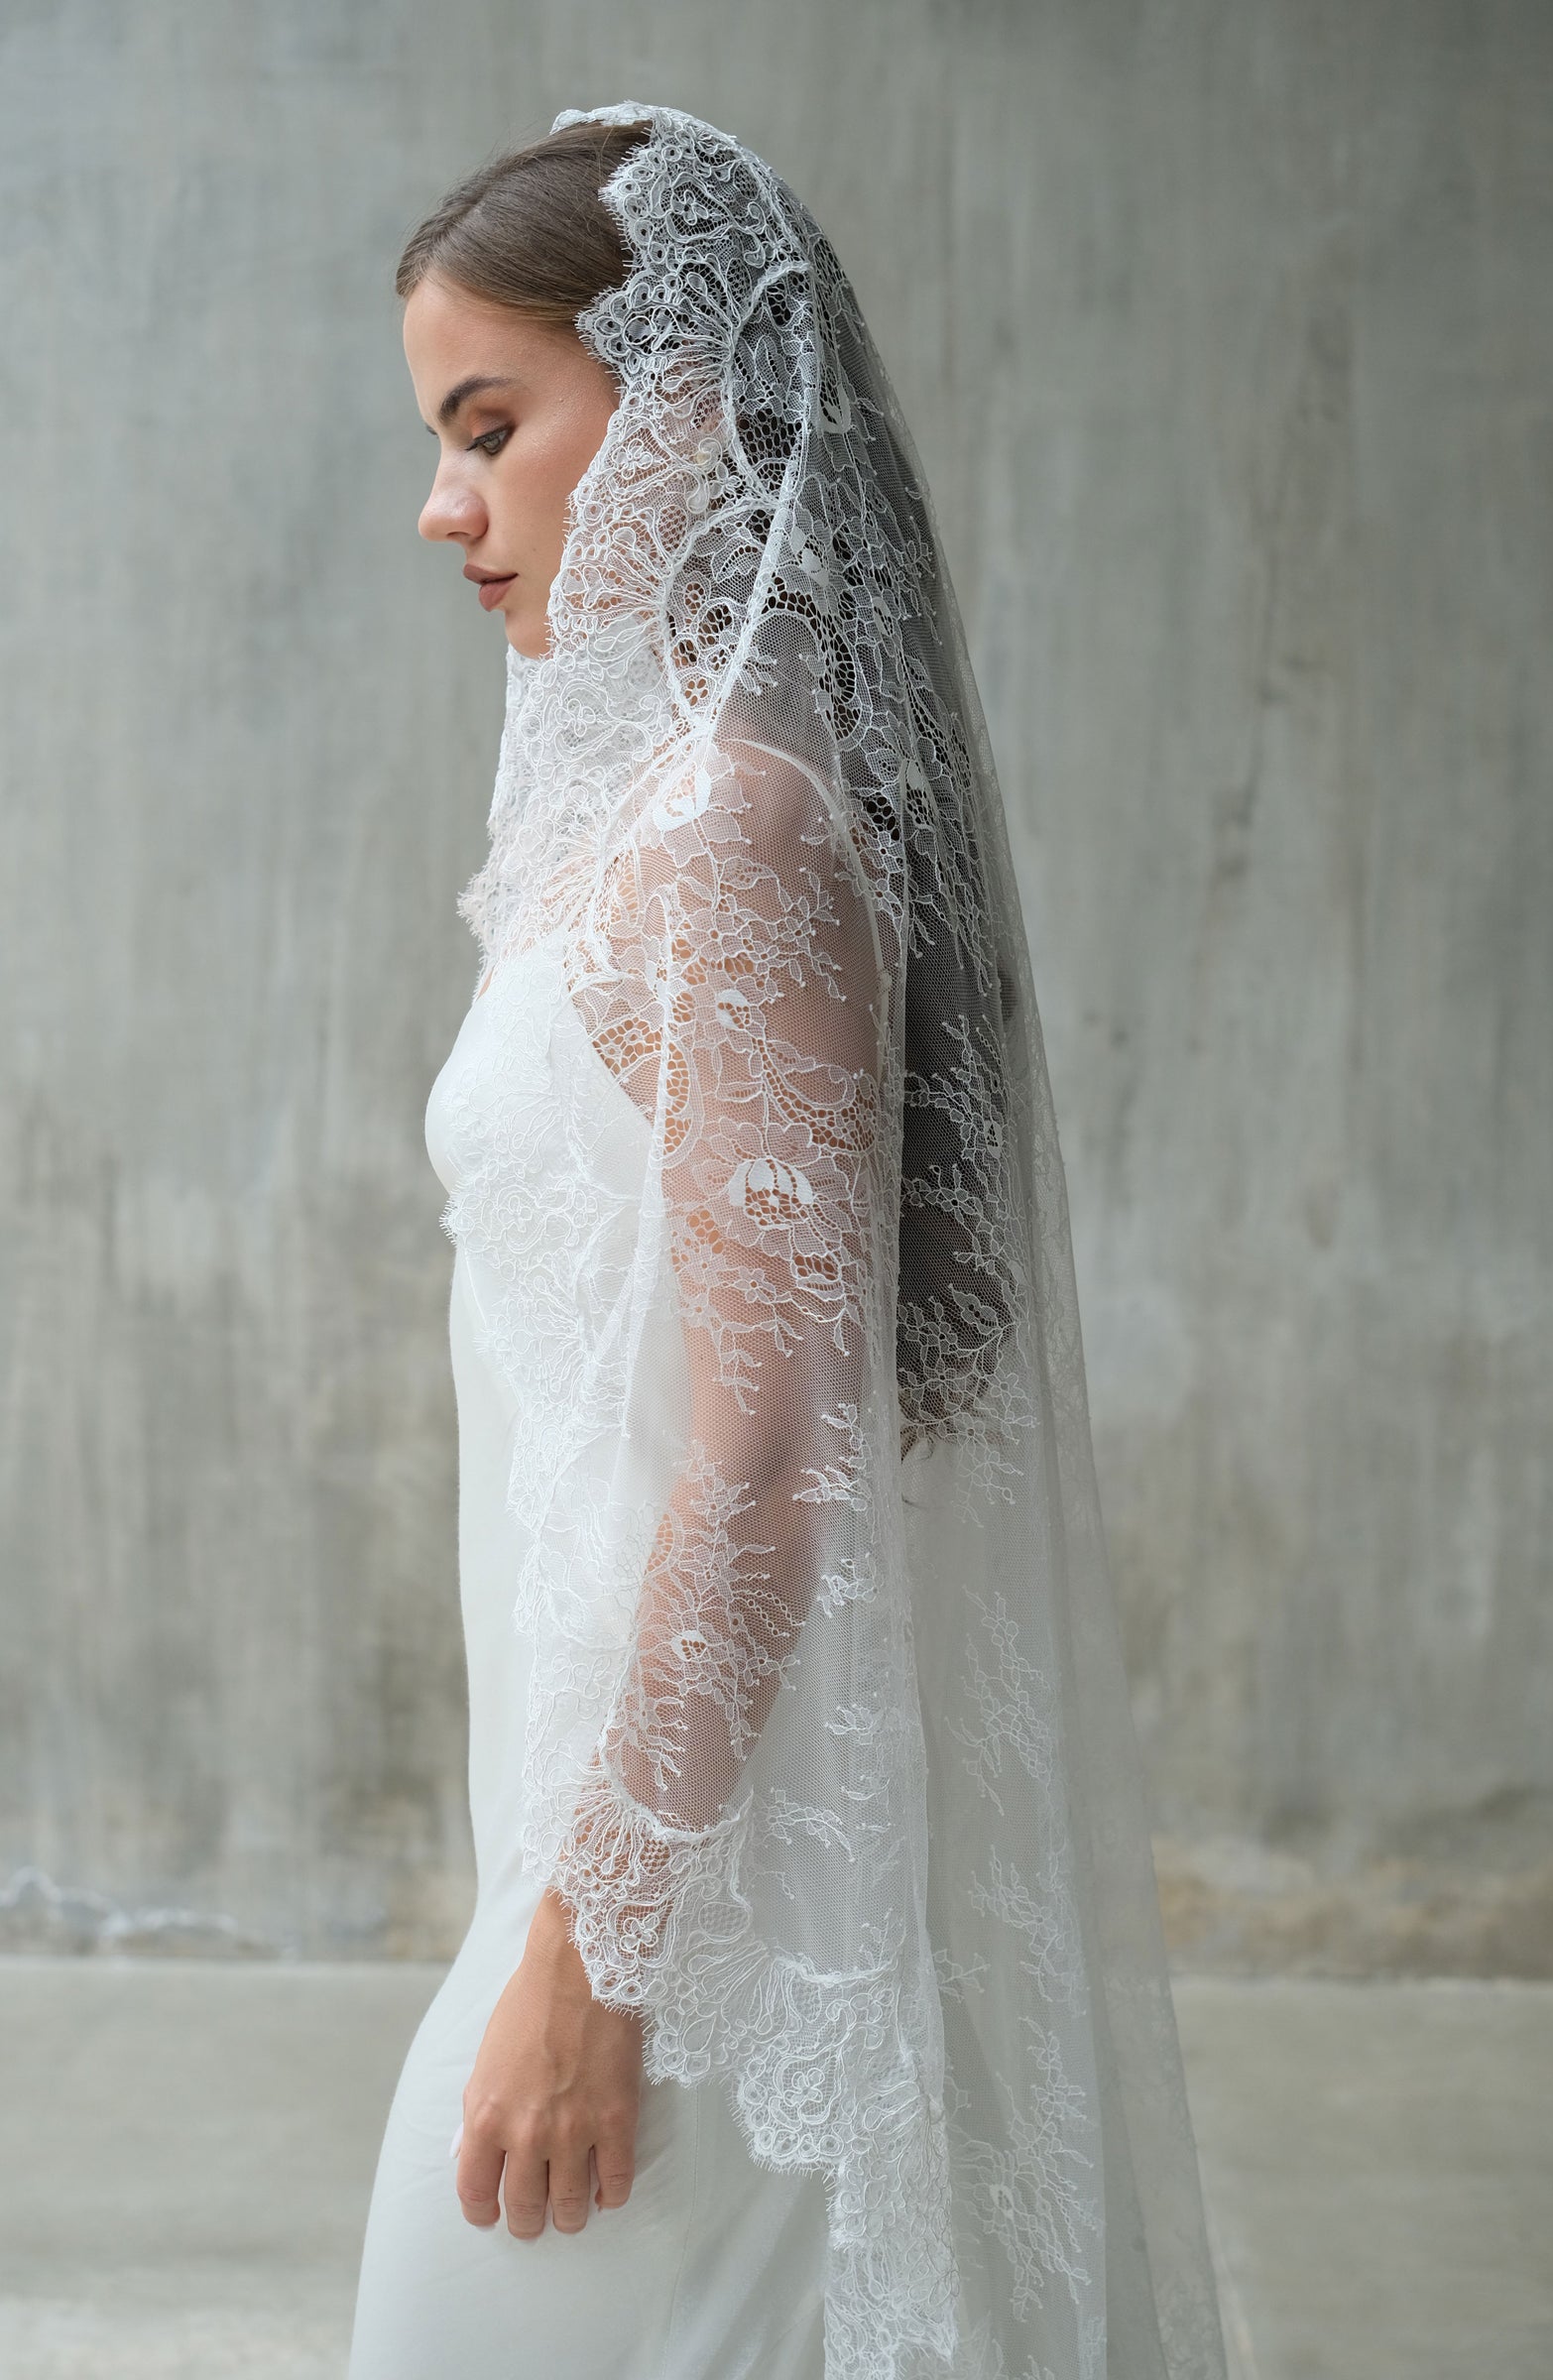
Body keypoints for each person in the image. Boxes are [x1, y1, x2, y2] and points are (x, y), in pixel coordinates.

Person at [348, 103, 1229, 2380]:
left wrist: (592, 1957)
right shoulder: (627, 830)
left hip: (686, 1904)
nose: (443, 507)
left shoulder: (732, 834)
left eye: (488, 426)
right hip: (605, 1825)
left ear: (695, 418)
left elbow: (768, 1453)